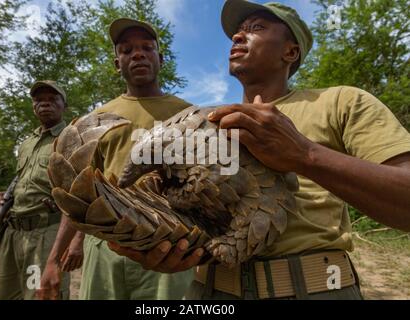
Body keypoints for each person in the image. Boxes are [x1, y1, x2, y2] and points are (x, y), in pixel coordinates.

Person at [109, 1, 410, 300]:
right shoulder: (205, 119)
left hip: (313, 288)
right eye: (237, 32)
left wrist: (304, 155)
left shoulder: (340, 102)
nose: (237, 37)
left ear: (290, 51)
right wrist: (167, 243)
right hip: (208, 291)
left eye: (256, 28)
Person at [38, 18, 194, 300]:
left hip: (169, 245)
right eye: (126, 49)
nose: (137, 54)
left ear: (160, 58)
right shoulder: (94, 121)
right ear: (116, 63)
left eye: (147, 47)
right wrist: (54, 259)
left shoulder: (190, 115)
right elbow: (75, 194)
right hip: (106, 244)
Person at [0, 80, 83, 300]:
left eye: (52, 99)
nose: (45, 104)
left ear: (64, 105)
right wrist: (3, 195)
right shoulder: (26, 144)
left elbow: (80, 196)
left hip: (46, 235)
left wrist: (77, 241)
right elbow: (25, 181)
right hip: (14, 234)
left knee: (42, 294)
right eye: (39, 100)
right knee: (5, 295)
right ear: (33, 106)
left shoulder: (71, 139)